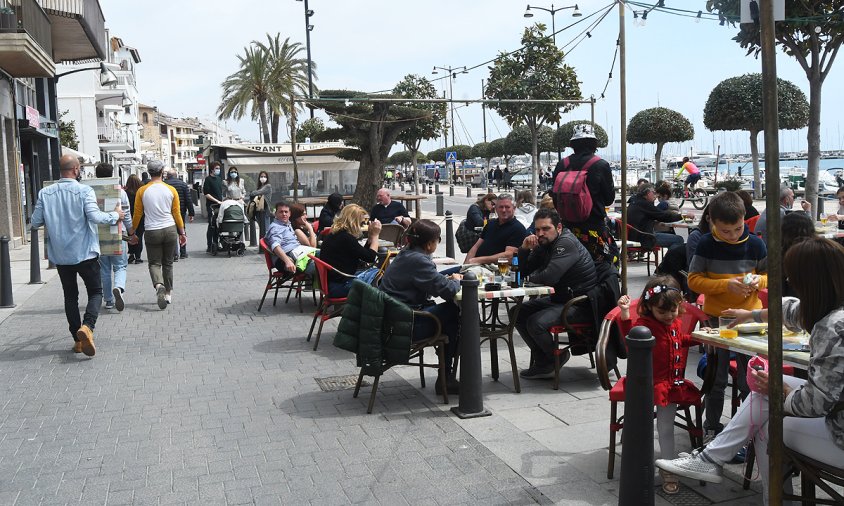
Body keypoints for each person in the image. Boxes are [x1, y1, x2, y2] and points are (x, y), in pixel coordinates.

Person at [657, 237, 844, 505]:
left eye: (794, 279)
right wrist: (751, 315)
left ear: (810, 283)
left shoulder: (832, 327)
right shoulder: (833, 308)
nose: (791, 283)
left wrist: (783, 391)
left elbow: (815, 403)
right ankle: (711, 459)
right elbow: (793, 311)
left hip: (839, 438)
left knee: (761, 423)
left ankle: (765, 494)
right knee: (760, 399)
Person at [688, 190, 767, 442]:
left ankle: (747, 431)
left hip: (749, 318)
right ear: (711, 221)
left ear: (744, 218)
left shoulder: (755, 243)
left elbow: (770, 277)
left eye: (737, 229)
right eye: (726, 231)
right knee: (717, 378)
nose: (733, 235)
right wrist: (725, 285)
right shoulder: (705, 243)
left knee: (750, 381)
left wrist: (758, 280)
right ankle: (712, 429)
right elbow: (693, 281)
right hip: (715, 318)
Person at [30, 155, 126, 356]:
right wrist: (116, 215)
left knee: (70, 297)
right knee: (95, 292)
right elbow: (95, 217)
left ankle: (77, 340)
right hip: (85, 253)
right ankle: (87, 327)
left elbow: (35, 222)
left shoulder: (45, 193)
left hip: (61, 256)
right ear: (75, 170)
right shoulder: (84, 191)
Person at [617, 276, 702, 495]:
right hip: (646, 384)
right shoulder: (645, 324)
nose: (669, 316)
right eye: (662, 311)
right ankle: (636, 464)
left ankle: (668, 468)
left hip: (670, 384)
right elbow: (630, 337)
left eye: (673, 310)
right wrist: (625, 314)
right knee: (640, 426)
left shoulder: (673, 322)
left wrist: (699, 337)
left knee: (665, 427)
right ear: (649, 307)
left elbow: (678, 339)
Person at [380, 220, 462, 395]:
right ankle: (446, 377)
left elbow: (428, 278)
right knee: (454, 312)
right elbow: (447, 291)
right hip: (406, 325)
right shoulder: (419, 260)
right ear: (429, 243)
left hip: (394, 318)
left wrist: (453, 272)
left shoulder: (406, 254)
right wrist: (456, 280)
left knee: (451, 319)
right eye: (437, 240)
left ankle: (447, 373)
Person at [514, 209, 597, 379]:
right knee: (516, 312)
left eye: (545, 229)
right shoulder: (544, 243)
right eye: (537, 230)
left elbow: (549, 276)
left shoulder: (565, 243)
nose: (540, 233)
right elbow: (523, 271)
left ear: (558, 227)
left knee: (535, 323)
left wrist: (528, 278)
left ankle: (556, 357)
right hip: (560, 298)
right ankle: (544, 361)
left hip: (579, 303)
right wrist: (524, 249)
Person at [551, 124, 617, 264]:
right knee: (607, 264)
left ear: (572, 144)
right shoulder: (600, 165)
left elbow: (555, 195)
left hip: (567, 229)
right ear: (594, 143)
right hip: (593, 228)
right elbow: (608, 199)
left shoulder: (562, 164)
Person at [131, 160, 186, 310]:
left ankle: (158, 285)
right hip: (169, 229)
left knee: (154, 263)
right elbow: (177, 213)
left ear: (149, 172)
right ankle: (168, 293)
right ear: (162, 171)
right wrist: (182, 232)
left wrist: (132, 231)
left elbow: (137, 214)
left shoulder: (142, 191)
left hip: (151, 231)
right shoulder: (171, 190)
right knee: (168, 263)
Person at [318, 204, 382, 297]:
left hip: (331, 283)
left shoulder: (335, 234)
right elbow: (370, 258)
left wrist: (370, 237)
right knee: (378, 273)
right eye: (361, 223)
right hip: (340, 286)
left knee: (374, 273)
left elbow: (362, 254)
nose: (361, 226)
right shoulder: (346, 238)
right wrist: (376, 235)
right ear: (354, 222)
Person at [94, 163, 134, 311]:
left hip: (98, 235)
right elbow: (127, 214)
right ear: (112, 174)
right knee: (120, 266)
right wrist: (131, 232)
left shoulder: (91, 191)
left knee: (104, 269)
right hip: (118, 233)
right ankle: (118, 287)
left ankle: (109, 300)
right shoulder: (120, 192)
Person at [465, 193, 528, 265]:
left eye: (507, 207)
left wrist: (478, 260)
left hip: (495, 270)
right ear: (496, 209)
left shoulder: (518, 229)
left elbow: (509, 256)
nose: (504, 210)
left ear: (514, 208)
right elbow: (475, 247)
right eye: (501, 207)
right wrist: (465, 266)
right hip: (474, 266)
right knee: (451, 273)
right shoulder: (490, 224)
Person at [627, 184, 685, 250]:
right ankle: (668, 260)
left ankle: (669, 259)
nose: (655, 195)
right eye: (653, 192)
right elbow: (664, 216)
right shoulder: (645, 204)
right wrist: (682, 216)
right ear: (648, 193)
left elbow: (653, 215)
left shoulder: (635, 202)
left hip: (635, 235)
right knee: (679, 239)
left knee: (670, 234)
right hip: (644, 238)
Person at [164, 168, 194, 260]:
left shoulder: (164, 185)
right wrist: (191, 213)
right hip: (181, 211)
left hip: (167, 211)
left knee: (170, 232)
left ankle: (173, 253)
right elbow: (188, 200)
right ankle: (183, 252)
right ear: (176, 176)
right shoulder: (183, 185)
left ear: (167, 176)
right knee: (181, 230)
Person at [203, 162, 224, 253]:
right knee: (211, 225)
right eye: (216, 168)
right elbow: (206, 194)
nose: (218, 170)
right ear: (212, 169)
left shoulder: (219, 179)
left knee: (217, 225)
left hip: (220, 205)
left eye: (219, 168)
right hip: (211, 206)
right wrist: (216, 201)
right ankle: (209, 245)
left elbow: (220, 192)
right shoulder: (208, 179)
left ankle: (216, 243)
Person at [124, 174, 145, 264]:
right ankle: (138, 256)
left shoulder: (126, 193)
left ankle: (131, 254)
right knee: (139, 236)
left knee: (130, 235)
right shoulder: (141, 192)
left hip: (129, 216)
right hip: (140, 217)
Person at [249, 170, 273, 241]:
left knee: (266, 229)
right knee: (261, 228)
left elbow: (256, 193)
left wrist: (253, 192)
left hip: (265, 210)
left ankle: (268, 245)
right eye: (261, 176)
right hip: (258, 210)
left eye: (264, 176)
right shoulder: (259, 187)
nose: (263, 178)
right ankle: (263, 245)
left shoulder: (268, 186)